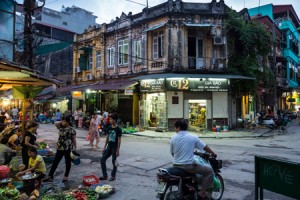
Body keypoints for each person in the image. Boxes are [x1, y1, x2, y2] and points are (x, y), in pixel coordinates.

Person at [170, 120, 217, 199]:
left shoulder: (173, 137)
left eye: (175, 127)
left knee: (195, 168)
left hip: (175, 164)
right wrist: (213, 153)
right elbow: (204, 147)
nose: (175, 129)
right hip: (188, 166)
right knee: (209, 171)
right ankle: (202, 192)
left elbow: (172, 153)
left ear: (178, 128)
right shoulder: (193, 137)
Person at [44, 116, 77, 182]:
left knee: (68, 163)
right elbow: (55, 123)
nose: (63, 122)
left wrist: (75, 148)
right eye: (62, 121)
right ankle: (50, 175)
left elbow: (74, 139)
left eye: (64, 121)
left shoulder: (72, 130)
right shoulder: (60, 127)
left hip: (68, 148)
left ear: (68, 122)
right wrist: (61, 121)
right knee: (55, 162)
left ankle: (66, 176)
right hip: (60, 148)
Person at [99, 113, 122, 181]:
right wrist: (104, 148)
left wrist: (118, 150)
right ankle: (105, 175)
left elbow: (119, 140)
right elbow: (107, 138)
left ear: (114, 120)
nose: (110, 120)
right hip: (109, 147)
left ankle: (113, 176)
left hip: (114, 147)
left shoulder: (118, 129)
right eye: (109, 119)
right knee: (102, 160)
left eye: (111, 119)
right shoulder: (109, 127)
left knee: (114, 162)